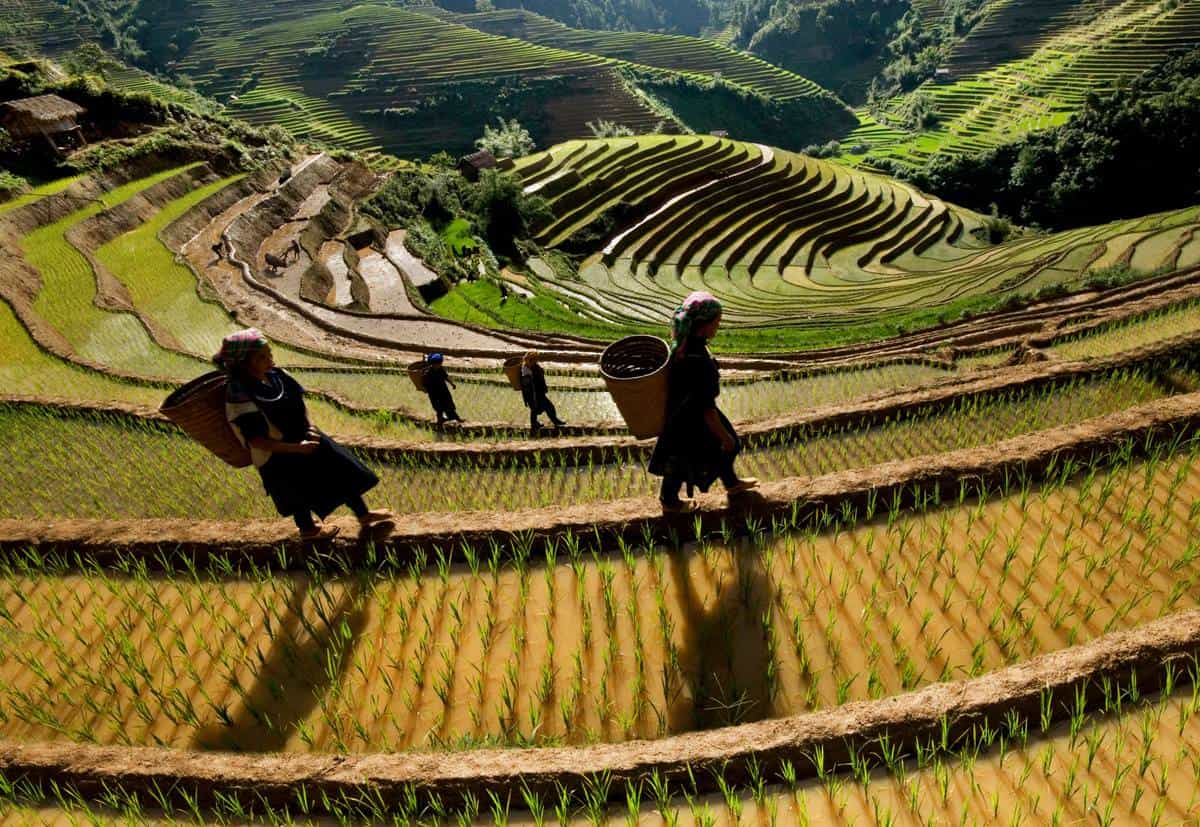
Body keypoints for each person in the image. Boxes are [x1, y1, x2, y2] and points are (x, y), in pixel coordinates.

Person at [215, 329, 393, 539]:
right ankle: (308, 530)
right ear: (244, 364)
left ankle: (363, 514)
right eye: (261, 357)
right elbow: (256, 440)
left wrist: (312, 428)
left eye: (269, 353)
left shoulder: (277, 376)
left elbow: (301, 404)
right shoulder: (239, 394)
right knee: (297, 491)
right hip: (277, 452)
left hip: (305, 436)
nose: (269, 359)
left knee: (341, 469)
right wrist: (296, 449)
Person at [648, 292, 758, 514]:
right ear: (704, 325)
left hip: (684, 412)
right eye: (716, 322)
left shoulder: (685, 344)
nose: (718, 326)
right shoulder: (696, 358)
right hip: (690, 417)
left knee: (720, 446)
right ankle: (669, 502)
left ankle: (732, 483)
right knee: (681, 460)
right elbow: (706, 408)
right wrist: (723, 436)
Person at [520, 350, 566, 434]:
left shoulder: (533, 367)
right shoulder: (526, 372)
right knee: (546, 407)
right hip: (534, 394)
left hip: (538, 392)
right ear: (531, 359)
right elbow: (527, 387)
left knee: (537, 409)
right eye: (535, 359)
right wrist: (528, 398)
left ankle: (536, 424)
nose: (537, 360)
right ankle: (554, 421)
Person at [423, 352, 462, 425]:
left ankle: (454, 418)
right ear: (433, 364)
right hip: (434, 393)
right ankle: (440, 419)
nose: (439, 365)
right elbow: (425, 385)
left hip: (443, 390)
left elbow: (446, 377)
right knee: (438, 407)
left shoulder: (441, 369)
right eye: (437, 364)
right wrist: (426, 389)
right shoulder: (427, 373)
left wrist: (452, 384)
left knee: (449, 404)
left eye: (440, 364)